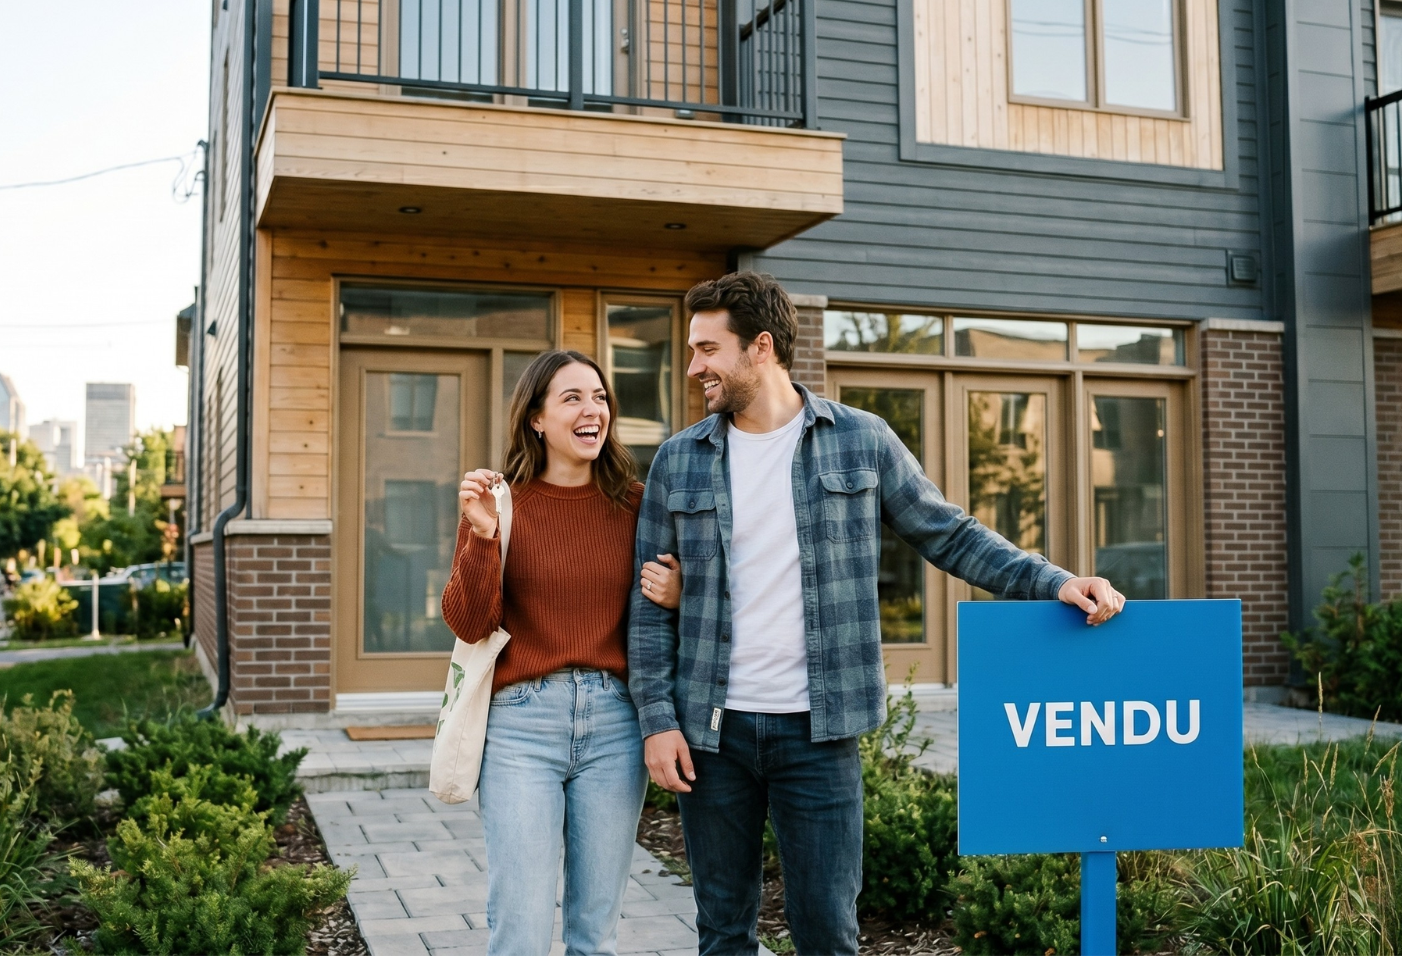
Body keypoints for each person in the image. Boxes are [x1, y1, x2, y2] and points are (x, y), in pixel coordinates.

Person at [628, 272, 1127, 956]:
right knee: (722, 932)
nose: (694, 367)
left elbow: (948, 533)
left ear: (760, 347)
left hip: (820, 733)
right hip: (713, 735)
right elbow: (648, 607)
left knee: (829, 933)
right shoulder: (677, 463)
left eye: (707, 349)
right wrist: (657, 722)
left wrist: (1054, 582)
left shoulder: (860, 441)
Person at [441, 349, 685, 956]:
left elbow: (669, 618)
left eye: (599, 397)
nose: (591, 409)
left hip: (616, 727)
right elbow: (470, 622)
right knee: (519, 930)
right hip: (522, 725)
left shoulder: (636, 504)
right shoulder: (500, 505)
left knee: (593, 934)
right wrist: (480, 537)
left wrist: (681, 595)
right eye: (572, 397)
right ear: (537, 420)